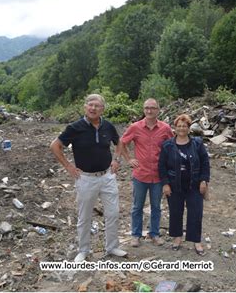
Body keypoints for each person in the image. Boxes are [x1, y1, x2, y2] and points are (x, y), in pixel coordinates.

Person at [50, 94, 127, 262]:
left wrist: (117, 159)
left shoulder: (108, 126)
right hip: (86, 179)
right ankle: (83, 250)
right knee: (85, 216)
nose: (93, 108)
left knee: (113, 213)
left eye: (97, 106)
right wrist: (69, 166)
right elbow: (55, 146)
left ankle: (112, 247)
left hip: (107, 176)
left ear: (102, 109)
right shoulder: (75, 128)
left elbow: (119, 142)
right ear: (85, 107)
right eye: (90, 105)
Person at [119, 98, 173, 247]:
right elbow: (122, 142)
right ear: (143, 110)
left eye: (153, 108)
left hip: (158, 175)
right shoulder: (135, 127)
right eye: (147, 108)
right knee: (137, 207)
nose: (149, 111)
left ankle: (154, 234)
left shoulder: (165, 128)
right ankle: (136, 235)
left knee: (156, 206)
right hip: (140, 175)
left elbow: (172, 146)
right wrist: (129, 159)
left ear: (158, 110)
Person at [158, 114, 210, 255]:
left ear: (189, 128)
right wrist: (165, 184)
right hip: (174, 186)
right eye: (179, 126)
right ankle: (177, 238)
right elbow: (162, 166)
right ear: (175, 128)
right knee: (175, 212)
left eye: (184, 126)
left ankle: (196, 241)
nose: (182, 128)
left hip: (194, 185)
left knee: (195, 213)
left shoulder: (197, 144)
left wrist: (204, 180)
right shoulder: (167, 145)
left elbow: (205, 162)